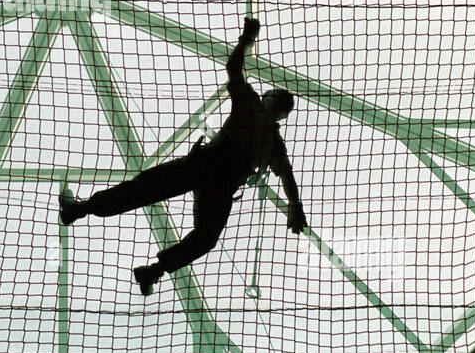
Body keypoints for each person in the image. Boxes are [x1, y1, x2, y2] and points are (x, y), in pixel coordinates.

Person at [58, 17, 305, 296]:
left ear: (268, 98)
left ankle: (80, 210)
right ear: (283, 115)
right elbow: (287, 175)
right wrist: (295, 205)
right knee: (204, 237)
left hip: (202, 166)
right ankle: (153, 270)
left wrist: (247, 39)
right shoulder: (273, 142)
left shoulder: (250, 104)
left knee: (142, 190)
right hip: (222, 186)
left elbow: (234, 68)